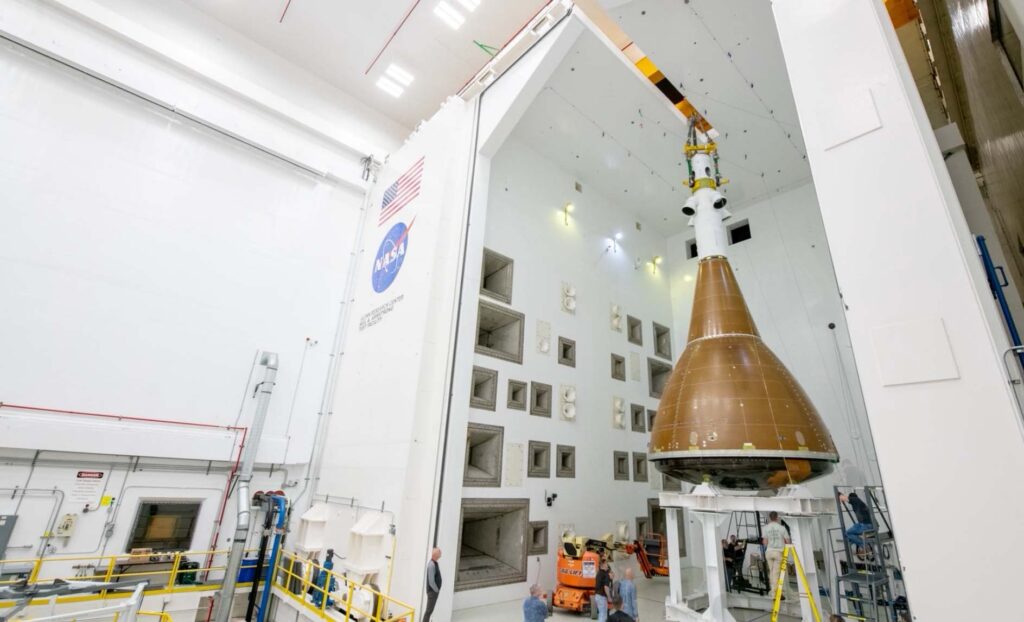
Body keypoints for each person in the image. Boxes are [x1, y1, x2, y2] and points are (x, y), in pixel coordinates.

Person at [762, 512, 792, 601]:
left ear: (769, 518)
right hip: (778, 552)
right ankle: (776, 594)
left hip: (769, 552)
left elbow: (765, 542)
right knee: (776, 574)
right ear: (777, 517)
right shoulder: (782, 528)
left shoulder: (765, 528)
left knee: (771, 573)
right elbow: (788, 540)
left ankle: (776, 592)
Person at [423, 547, 442, 622]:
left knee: (430, 611)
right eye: (439, 553)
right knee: (428, 611)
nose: (441, 554)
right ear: (436, 555)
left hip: (433, 592)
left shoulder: (434, 563)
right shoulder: (431, 565)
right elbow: (431, 582)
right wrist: (436, 590)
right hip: (432, 592)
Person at [593, 556, 613, 621]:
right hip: (602, 597)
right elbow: (606, 587)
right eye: (606, 564)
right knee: (603, 614)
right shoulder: (605, 575)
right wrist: (609, 597)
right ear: (603, 565)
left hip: (597, 596)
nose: (607, 565)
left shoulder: (598, 573)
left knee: (601, 614)